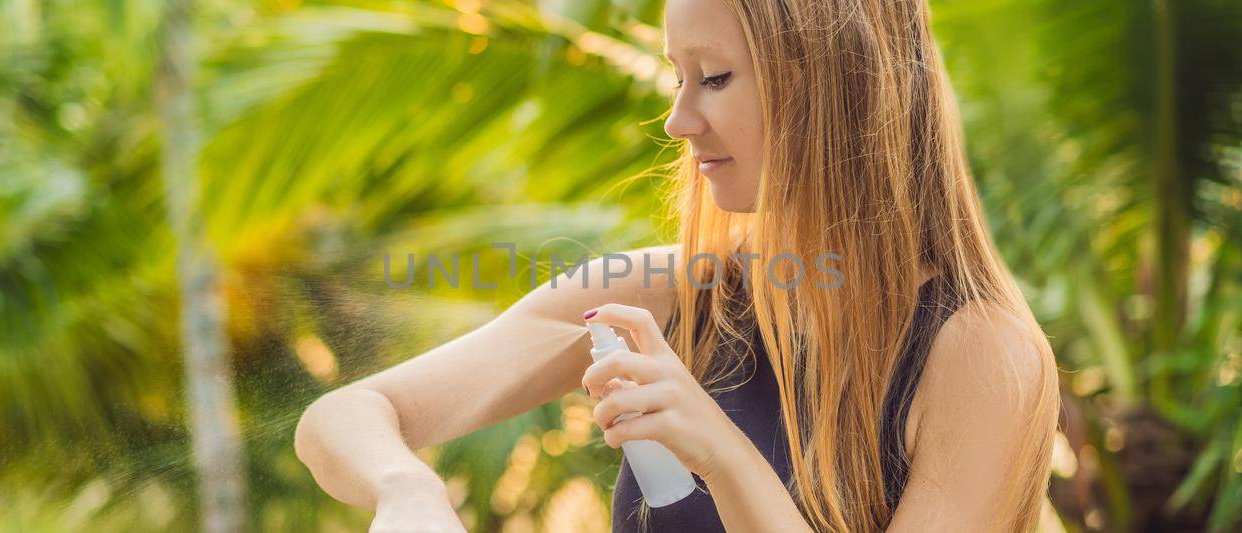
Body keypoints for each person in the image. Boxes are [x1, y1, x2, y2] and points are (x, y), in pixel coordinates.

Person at [294, 0, 1062, 530]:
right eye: (676, 75)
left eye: (715, 77)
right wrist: (408, 490)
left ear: (834, 85)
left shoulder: (980, 354)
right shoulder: (665, 296)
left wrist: (717, 450)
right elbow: (344, 417)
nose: (678, 120)